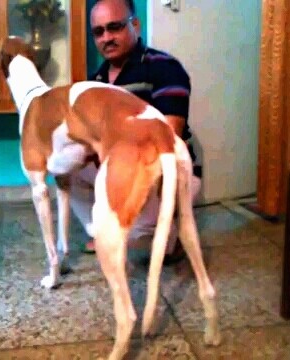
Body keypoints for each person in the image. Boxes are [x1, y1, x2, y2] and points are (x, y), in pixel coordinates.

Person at [69, 0, 202, 263]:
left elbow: (168, 135)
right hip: (117, 167)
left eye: (114, 27)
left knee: (140, 243)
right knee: (64, 165)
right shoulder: (94, 82)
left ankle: (167, 233)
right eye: (99, 32)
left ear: (135, 25)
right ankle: (101, 230)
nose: (106, 38)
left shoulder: (164, 67)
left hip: (160, 169)